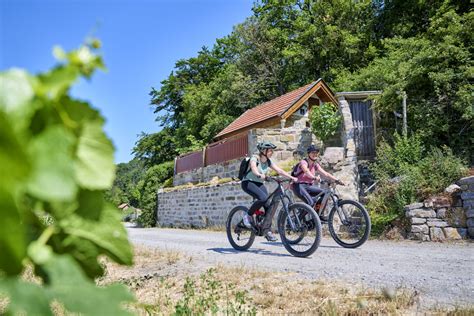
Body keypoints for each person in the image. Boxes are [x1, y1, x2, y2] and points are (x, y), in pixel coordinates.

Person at [241, 141, 298, 241]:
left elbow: (279, 171)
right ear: (263, 151)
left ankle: (266, 230)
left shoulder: (268, 161)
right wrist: (259, 174)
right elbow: (254, 168)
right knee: (263, 198)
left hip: (259, 183)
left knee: (268, 205)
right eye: (270, 150)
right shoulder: (255, 158)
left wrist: (291, 177)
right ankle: (248, 215)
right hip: (248, 182)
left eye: (272, 150)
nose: (272, 152)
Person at [292, 145, 344, 217]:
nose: (315, 154)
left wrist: (337, 180)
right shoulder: (303, 162)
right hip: (298, 186)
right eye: (313, 152)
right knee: (310, 203)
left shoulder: (315, 165)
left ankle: (318, 214)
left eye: (316, 153)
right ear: (308, 154)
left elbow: (325, 174)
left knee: (325, 194)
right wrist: (314, 177)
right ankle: (297, 219)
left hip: (308, 186)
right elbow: (306, 171)